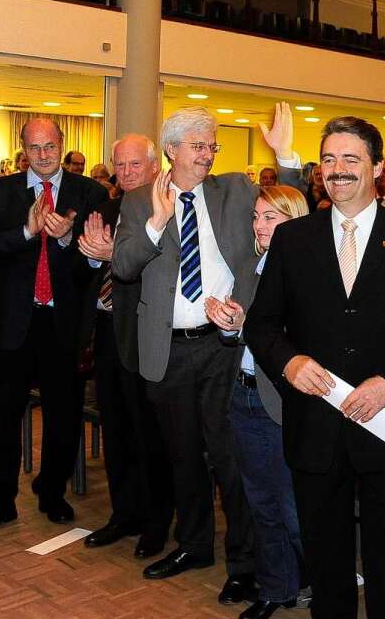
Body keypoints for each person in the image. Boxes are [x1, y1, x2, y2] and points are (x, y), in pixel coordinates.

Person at [245, 116, 385, 619]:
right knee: (326, 557)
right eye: (329, 160)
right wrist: (290, 363)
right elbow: (262, 325)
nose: (338, 170)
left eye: (351, 159)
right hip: (316, 425)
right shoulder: (293, 239)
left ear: (377, 168)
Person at [112, 107, 256, 602]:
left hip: (223, 348)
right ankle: (194, 544)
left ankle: (245, 561)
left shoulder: (233, 190)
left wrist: (288, 155)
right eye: (199, 145)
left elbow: (289, 204)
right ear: (171, 149)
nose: (208, 154)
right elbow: (124, 267)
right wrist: (155, 223)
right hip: (167, 349)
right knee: (183, 455)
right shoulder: (136, 201)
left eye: (212, 145)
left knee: (228, 456)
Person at [0, 118, 107, 526]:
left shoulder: (90, 193)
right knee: (2, 416)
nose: (43, 155)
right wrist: (27, 231)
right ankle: (0, 499)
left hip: (64, 324)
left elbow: (93, 267)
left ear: (63, 144)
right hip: (11, 325)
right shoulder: (1, 192)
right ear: (23, 148)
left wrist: (65, 241)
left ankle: (53, 491)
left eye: (50, 146)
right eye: (35, 147)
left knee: (63, 415)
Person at [206, 185, 309, 619]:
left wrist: (246, 327)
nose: (259, 226)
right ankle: (275, 586)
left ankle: (324, 578)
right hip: (243, 394)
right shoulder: (249, 267)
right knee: (259, 501)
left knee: (292, 507)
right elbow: (241, 336)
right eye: (257, 217)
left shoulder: (310, 272)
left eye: (271, 218)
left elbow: (302, 344)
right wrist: (229, 326)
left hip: (284, 401)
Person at [76, 134, 174, 559]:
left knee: (150, 434)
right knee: (116, 431)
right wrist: (95, 257)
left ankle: (156, 521)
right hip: (110, 334)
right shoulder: (109, 208)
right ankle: (124, 513)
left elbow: (162, 265)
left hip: (149, 336)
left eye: (136, 165)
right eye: (121, 166)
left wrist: (115, 253)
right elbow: (91, 268)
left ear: (155, 167)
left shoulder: (169, 209)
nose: (128, 173)